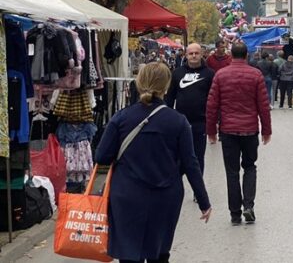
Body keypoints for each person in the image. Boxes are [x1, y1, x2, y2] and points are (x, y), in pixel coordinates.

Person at [94, 62, 211, 263]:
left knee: (129, 254)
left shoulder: (121, 118)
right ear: (166, 87)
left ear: (139, 83)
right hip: (165, 197)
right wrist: (203, 202)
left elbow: (101, 157)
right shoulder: (178, 120)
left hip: (126, 196)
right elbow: (191, 163)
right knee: (159, 252)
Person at [207, 41, 271, 225]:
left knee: (232, 171)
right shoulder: (256, 75)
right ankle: (249, 206)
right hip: (250, 130)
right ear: (246, 56)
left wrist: (211, 131)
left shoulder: (220, 75)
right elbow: (263, 106)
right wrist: (266, 130)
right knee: (250, 167)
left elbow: (212, 106)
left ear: (231, 55)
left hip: (228, 131)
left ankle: (235, 214)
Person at [165, 43, 216, 176]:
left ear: (202, 54)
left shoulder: (210, 74)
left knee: (198, 158)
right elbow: (169, 97)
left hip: (200, 122)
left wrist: (214, 121)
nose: (194, 56)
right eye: (191, 53)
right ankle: (175, 189)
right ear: (186, 55)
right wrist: (166, 119)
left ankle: (198, 192)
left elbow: (214, 100)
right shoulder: (177, 73)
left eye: (196, 53)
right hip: (181, 123)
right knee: (178, 158)